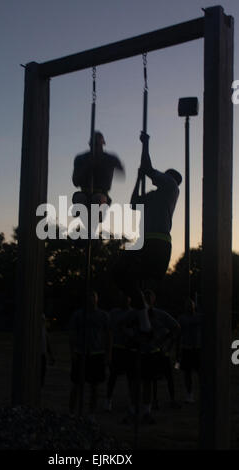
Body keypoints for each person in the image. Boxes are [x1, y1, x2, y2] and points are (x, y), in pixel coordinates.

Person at [113, 132, 182, 302]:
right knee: (120, 274)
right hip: (145, 242)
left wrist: (145, 143)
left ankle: (144, 309)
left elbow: (148, 168)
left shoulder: (171, 187)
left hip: (158, 242)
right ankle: (142, 310)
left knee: (134, 276)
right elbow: (134, 204)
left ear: (169, 178)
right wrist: (138, 179)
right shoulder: (153, 196)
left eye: (164, 175)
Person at [69, 291, 111, 420]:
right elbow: (72, 334)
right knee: (76, 384)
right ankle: (72, 412)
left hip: (97, 354)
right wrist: (72, 352)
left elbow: (109, 335)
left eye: (94, 297)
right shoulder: (78, 315)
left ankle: (91, 413)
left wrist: (108, 354)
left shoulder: (103, 315)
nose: (91, 300)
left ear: (97, 299)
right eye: (89, 297)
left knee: (94, 386)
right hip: (81, 353)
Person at [140, 289, 180, 423]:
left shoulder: (161, 315)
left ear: (153, 299)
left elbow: (176, 327)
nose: (146, 299)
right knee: (145, 381)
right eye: (145, 297)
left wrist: (166, 343)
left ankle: (170, 400)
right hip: (143, 352)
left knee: (164, 377)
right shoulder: (139, 314)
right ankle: (146, 406)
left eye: (149, 297)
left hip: (159, 352)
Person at [72, 131, 125, 212]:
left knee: (97, 199)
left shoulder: (109, 158)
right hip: (84, 193)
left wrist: (106, 165)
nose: (96, 148)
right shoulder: (81, 159)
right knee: (79, 199)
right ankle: (85, 214)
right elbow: (75, 182)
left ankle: (96, 214)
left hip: (101, 196)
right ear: (90, 145)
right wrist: (87, 166)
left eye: (98, 145)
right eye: (94, 145)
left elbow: (121, 171)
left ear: (102, 145)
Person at [178, 298, 202, 403]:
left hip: (197, 348)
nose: (189, 307)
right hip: (186, 348)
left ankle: (203, 393)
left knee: (201, 373)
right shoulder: (182, 318)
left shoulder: (199, 317)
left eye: (191, 305)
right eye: (188, 306)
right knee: (187, 374)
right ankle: (189, 395)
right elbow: (179, 334)